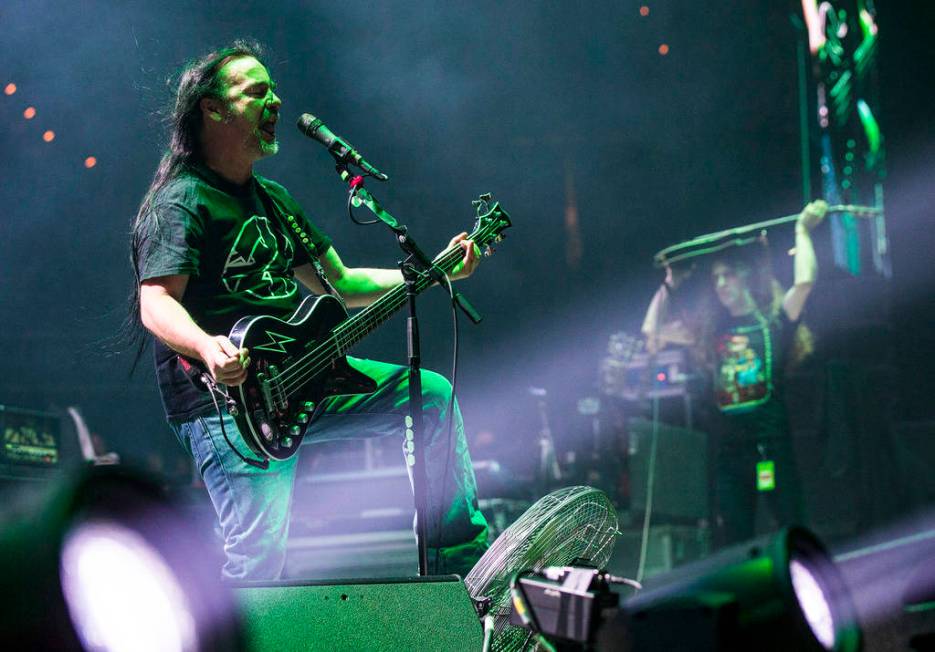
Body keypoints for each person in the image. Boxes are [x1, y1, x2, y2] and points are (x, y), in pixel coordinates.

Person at [129, 41, 489, 580]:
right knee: (258, 561)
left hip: (303, 378)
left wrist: (438, 270)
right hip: (227, 403)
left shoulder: (274, 199)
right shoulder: (181, 201)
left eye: (274, 90)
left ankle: (460, 567)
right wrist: (207, 347)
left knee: (432, 395)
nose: (275, 101)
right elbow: (155, 302)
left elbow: (341, 282)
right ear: (213, 108)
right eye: (257, 92)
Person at [642, 200, 827, 547]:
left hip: (771, 448)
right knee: (733, 539)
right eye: (716, 278)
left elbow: (804, 282)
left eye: (728, 275)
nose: (721, 284)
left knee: (793, 528)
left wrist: (802, 232)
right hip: (729, 455)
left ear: (746, 276)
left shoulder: (772, 323)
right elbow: (652, 332)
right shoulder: (710, 332)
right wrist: (670, 282)